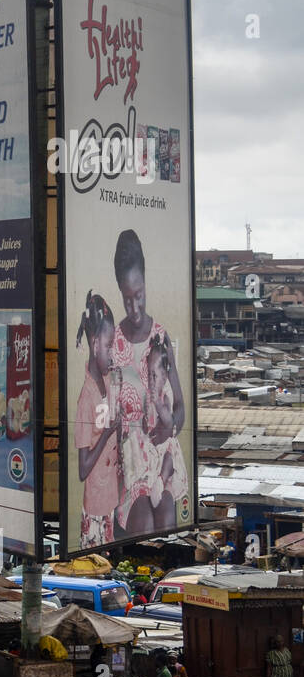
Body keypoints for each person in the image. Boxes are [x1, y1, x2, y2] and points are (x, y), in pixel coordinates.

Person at [111, 229, 185, 537]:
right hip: (129, 461)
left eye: (139, 295)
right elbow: (105, 415)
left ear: (146, 284)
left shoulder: (160, 336)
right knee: (144, 524)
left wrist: (171, 426)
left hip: (164, 455)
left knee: (167, 517)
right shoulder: (112, 344)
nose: (135, 307)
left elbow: (180, 405)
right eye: (127, 299)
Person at [74, 290, 121, 548]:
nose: (111, 353)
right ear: (94, 344)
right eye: (107, 345)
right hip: (94, 511)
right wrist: (106, 433)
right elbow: (82, 470)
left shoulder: (107, 381)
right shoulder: (86, 398)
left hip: (111, 500)